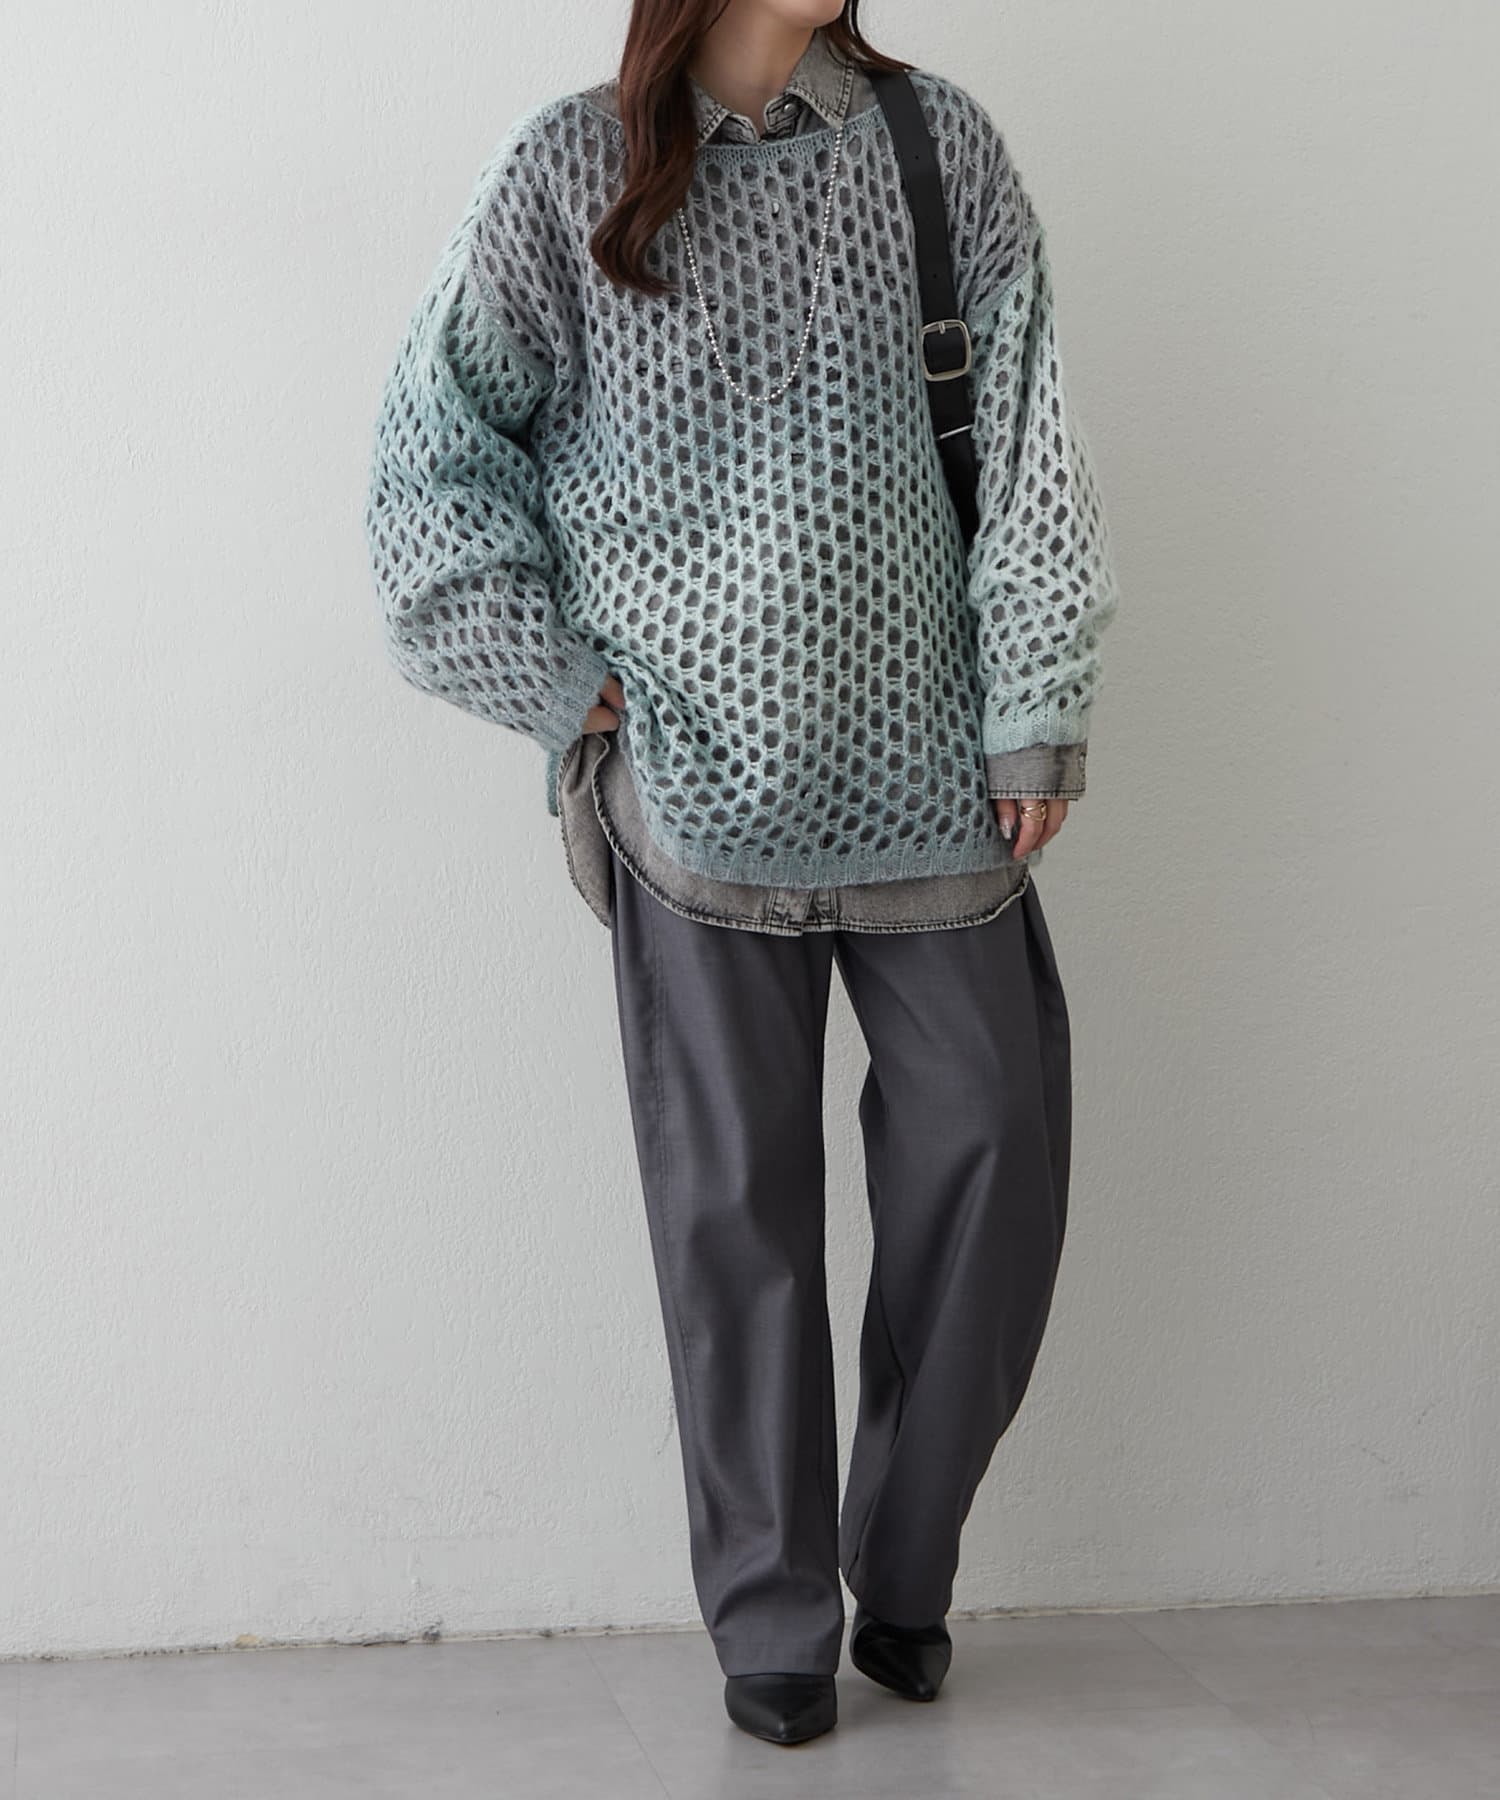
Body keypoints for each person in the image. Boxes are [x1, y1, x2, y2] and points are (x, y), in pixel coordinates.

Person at [365, 0, 1120, 1749]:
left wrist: (1037, 708)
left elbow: (1029, 448)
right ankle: (774, 1614)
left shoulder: (940, 147)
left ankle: (902, 1562)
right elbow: (430, 460)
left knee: (995, 1159)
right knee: (735, 1222)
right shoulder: (572, 168)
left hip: (933, 779)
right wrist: (561, 684)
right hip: (692, 797)